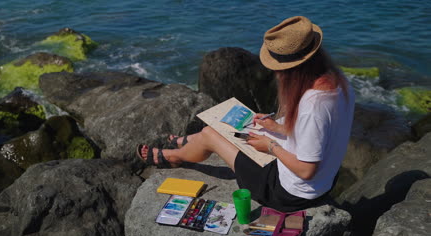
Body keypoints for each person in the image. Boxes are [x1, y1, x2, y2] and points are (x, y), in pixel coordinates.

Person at [137, 16, 355, 212]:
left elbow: (307, 170)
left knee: (210, 134)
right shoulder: (338, 82)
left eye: (277, 68)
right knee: (228, 127)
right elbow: (319, 134)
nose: (276, 74)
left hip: (289, 193)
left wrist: (270, 147)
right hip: (324, 182)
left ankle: (174, 157)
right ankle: (188, 142)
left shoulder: (312, 107)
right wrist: (278, 128)